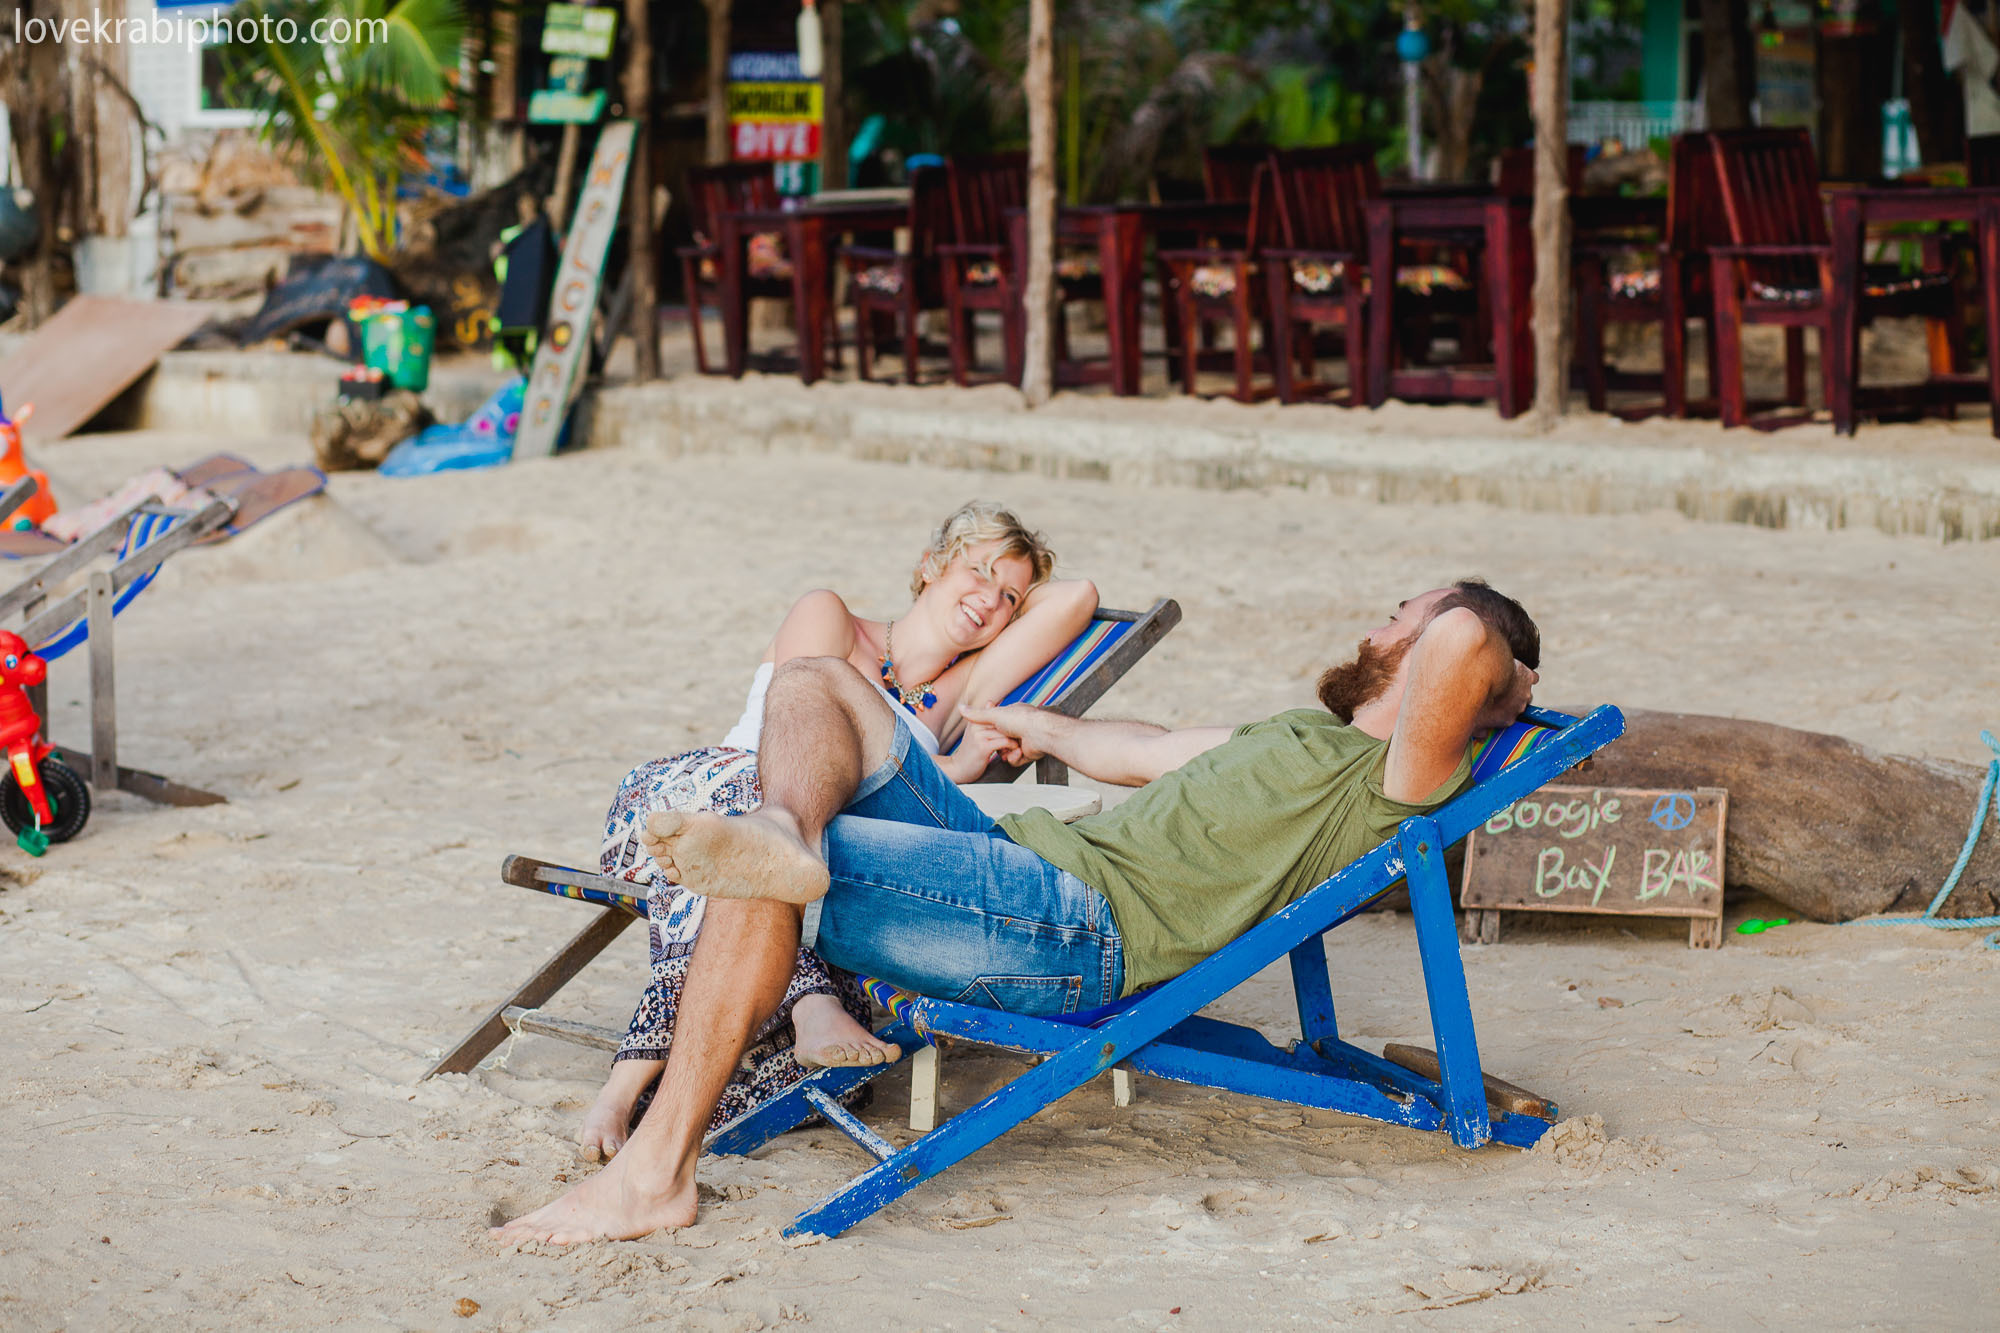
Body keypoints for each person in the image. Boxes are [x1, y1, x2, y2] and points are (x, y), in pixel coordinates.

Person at [494, 579, 1540, 1245]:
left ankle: (653, 1172)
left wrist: (1488, 643)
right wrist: (1028, 720)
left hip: (1074, 928)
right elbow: (1134, 750)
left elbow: (1461, 645)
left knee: (760, 878)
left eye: (1403, 610)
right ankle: (785, 826)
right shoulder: (1295, 736)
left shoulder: (1397, 774)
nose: (1381, 615)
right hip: (1016, 864)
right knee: (816, 680)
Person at [577, 500, 1097, 1163]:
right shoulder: (830, 615)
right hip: (683, 805)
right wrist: (942, 765)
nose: (989, 598)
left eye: (1009, 595)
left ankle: (625, 1090)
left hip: (777, 854)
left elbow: (1078, 598)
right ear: (930, 566)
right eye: (978, 570)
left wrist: (961, 748)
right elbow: (789, 741)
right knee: (758, 821)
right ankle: (811, 999)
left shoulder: (952, 693)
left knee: (773, 860)